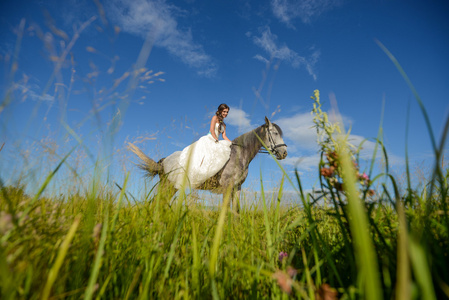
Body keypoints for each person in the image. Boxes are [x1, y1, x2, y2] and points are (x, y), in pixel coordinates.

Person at [163, 104, 232, 189]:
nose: (226, 113)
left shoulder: (224, 125)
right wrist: (215, 140)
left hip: (216, 140)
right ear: (220, 111)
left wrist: (232, 142)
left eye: (227, 112)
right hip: (210, 138)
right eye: (224, 111)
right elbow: (212, 130)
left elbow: (224, 136)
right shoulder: (215, 118)